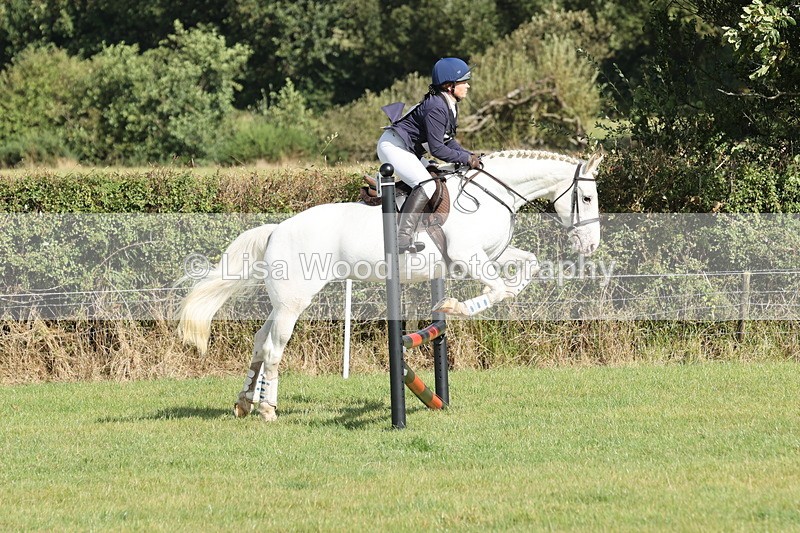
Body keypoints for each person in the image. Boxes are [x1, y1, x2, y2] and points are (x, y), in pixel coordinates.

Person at [377, 57, 481, 253]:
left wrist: (469, 155)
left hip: (406, 148)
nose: (467, 86)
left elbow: (447, 140)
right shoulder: (436, 107)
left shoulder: (448, 103)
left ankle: (423, 226)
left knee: (436, 176)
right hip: (393, 146)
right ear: (449, 86)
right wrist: (466, 159)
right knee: (427, 184)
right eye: (464, 82)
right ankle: (402, 237)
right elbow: (437, 150)